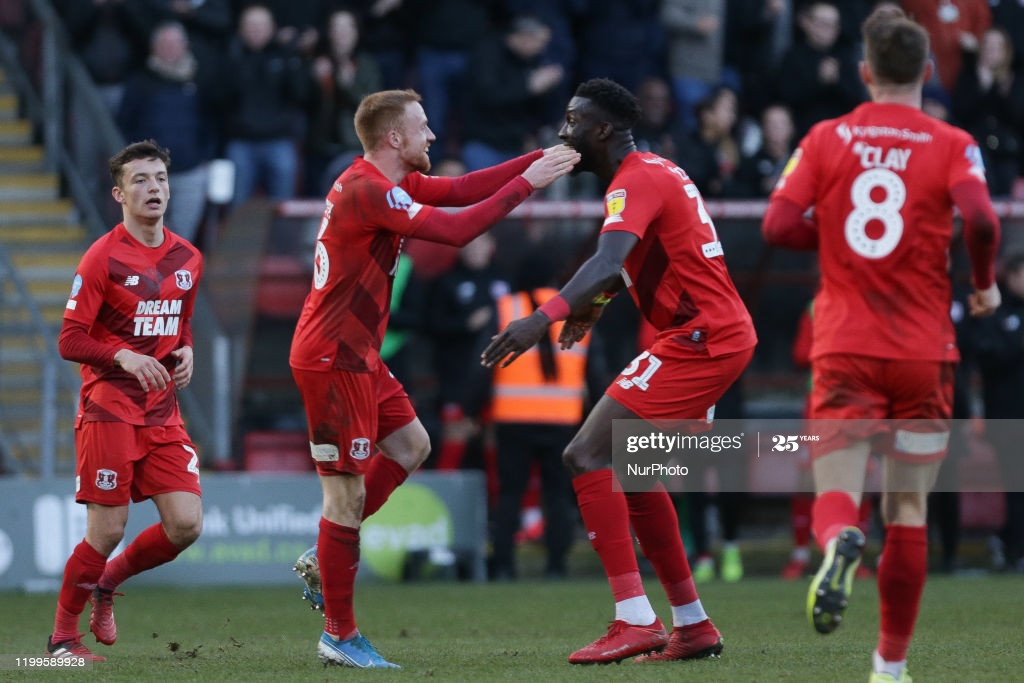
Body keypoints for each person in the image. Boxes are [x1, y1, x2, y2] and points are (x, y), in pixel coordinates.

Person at [287, 88, 578, 669]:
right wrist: (532, 184)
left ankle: (326, 556)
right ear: (394, 137)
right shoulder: (368, 190)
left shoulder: (380, 181)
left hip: (359, 354)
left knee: (412, 444)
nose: (434, 137)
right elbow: (458, 229)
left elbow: (459, 190)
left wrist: (535, 158)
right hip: (332, 359)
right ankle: (339, 635)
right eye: (423, 127)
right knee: (344, 495)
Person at [482, 77, 757, 664]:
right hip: (709, 335)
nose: (564, 131)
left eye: (573, 121)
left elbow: (609, 259)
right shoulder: (651, 173)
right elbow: (632, 258)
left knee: (585, 454)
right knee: (633, 468)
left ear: (602, 130)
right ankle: (693, 624)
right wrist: (594, 310)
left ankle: (634, 618)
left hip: (702, 338)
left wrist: (542, 320)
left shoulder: (637, 179)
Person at [762, 7, 1001, 682]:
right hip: (925, 348)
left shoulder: (827, 136)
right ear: (927, 71)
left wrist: (835, 239)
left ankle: (840, 543)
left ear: (865, 73)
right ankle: (890, 665)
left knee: (839, 492)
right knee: (909, 509)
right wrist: (983, 284)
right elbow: (981, 217)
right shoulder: (952, 142)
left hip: (846, 344)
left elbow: (779, 222)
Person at [46, 140, 204, 661]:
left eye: (159, 177)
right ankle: (63, 639)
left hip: (161, 411)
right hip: (109, 408)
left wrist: (186, 352)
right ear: (119, 193)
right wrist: (122, 357)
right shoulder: (101, 257)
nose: (153, 187)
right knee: (107, 528)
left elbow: (180, 325)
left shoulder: (188, 258)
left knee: (186, 525)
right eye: (140, 180)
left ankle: (107, 584)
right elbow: (70, 340)